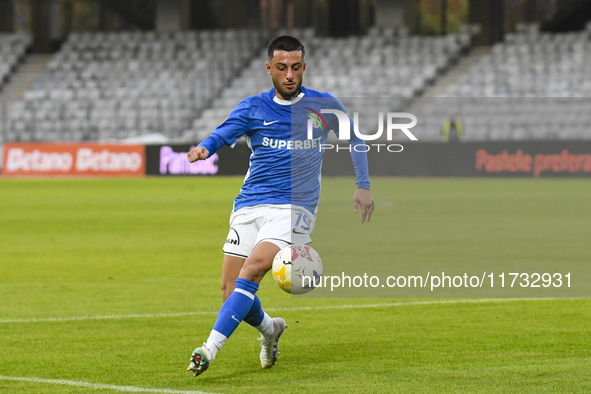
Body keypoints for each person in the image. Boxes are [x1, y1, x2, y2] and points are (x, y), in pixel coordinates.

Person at [185, 35, 374, 376]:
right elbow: (222, 133)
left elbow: (355, 139)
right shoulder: (253, 107)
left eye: (296, 67)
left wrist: (363, 185)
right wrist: (204, 148)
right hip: (249, 205)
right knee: (230, 291)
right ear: (269, 68)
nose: (290, 74)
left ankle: (208, 349)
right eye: (282, 67)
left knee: (254, 270)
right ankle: (271, 329)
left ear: (304, 68)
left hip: (294, 208)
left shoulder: (324, 105)